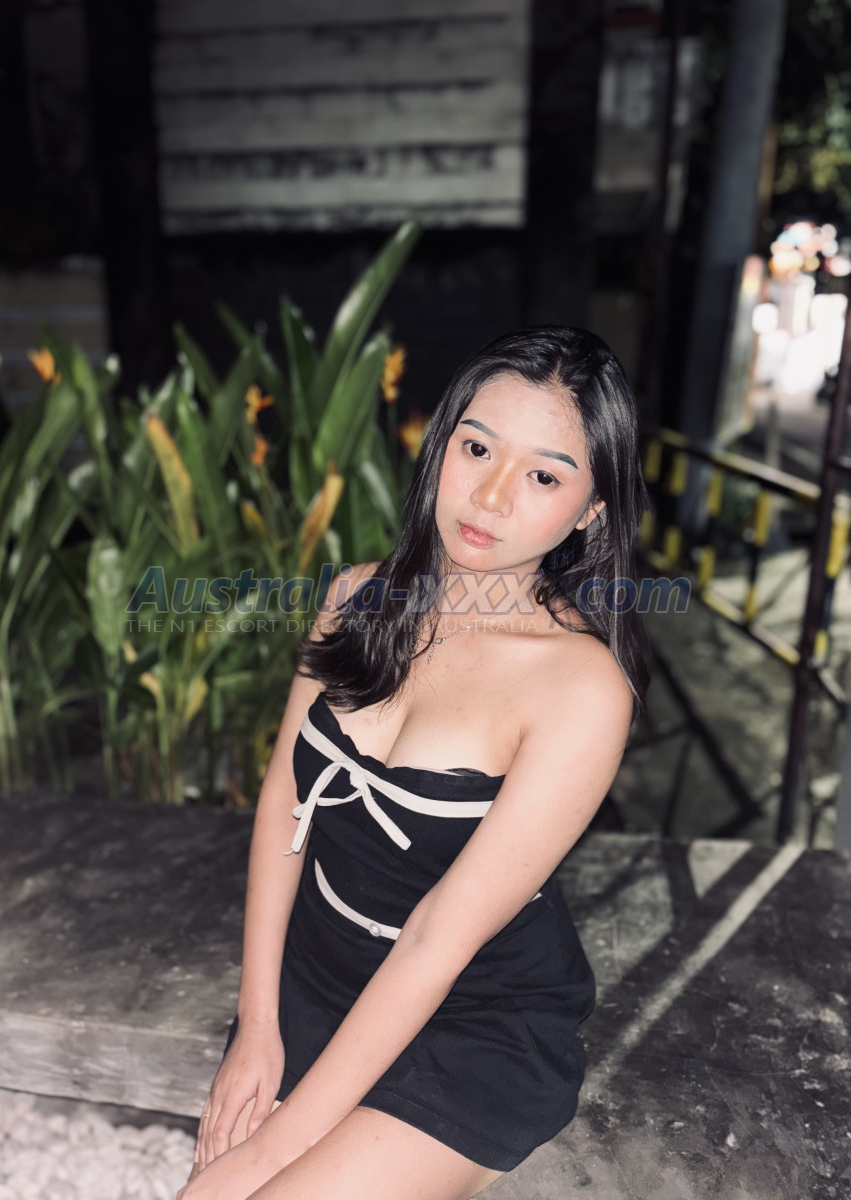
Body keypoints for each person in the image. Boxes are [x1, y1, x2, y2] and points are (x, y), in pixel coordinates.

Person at [177, 326, 649, 1200]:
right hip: (317, 971)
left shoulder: (580, 689)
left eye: (545, 476)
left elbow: (439, 936)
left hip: (470, 1013)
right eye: (478, 448)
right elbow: (285, 803)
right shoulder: (356, 597)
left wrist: (270, 1151)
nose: (491, 495)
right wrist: (258, 1023)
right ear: (442, 443)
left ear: (592, 509)